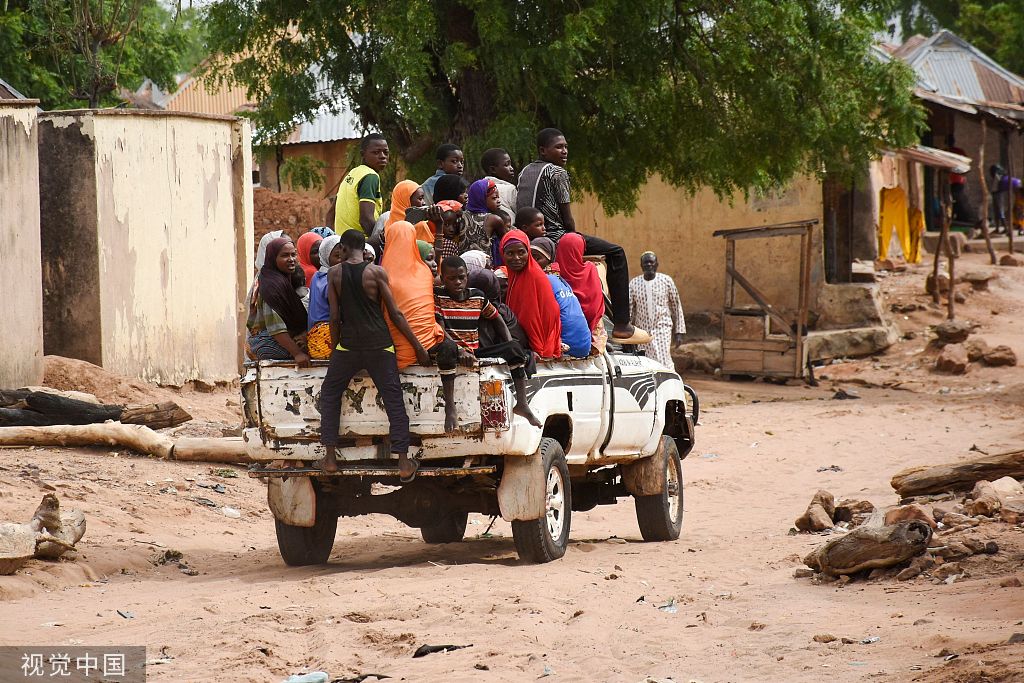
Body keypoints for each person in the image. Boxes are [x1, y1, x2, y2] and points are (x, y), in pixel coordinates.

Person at [516, 127, 646, 344]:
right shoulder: (557, 172)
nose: (565, 151)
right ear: (543, 150)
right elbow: (567, 220)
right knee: (616, 252)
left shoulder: (524, 171)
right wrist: (574, 238)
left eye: (566, 147)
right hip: (556, 236)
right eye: (558, 147)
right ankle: (623, 325)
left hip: (530, 236)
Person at [320, 229, 428, 479]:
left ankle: (329, 458)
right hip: (380, 345)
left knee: (330, 393)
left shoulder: (334, 273)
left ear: (344, 248)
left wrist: (336, 349)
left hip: (349, 345)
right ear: (363, 247)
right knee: (393, 399)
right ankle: (403, 462)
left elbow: (334, 318)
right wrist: (418, 347)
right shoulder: (376, 272)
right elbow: (395, 313)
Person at [436, 256, 542, 427]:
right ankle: (450, 408)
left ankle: (522, 404)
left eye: (461, 277)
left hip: (474, 351)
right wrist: (460, 350)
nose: (457, 282)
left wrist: (510, 345)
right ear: (442, 279)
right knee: (446, 348)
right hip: (453, 350)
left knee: (515, 348)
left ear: (467, 277)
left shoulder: (477, 296)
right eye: (451, 278)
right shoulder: (438, 296)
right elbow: (440, 329)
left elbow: (497, 319)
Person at [382, 220, 462, 433]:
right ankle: (450, 405)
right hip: (422, 344)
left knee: (450, 347)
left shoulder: (382, 274)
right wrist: (418, 347)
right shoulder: (420, 272)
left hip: (399, 348)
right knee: (448, 348)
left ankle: (445, 410)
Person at [246, 237, 311, 365]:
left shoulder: (282, 280)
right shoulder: (271, 287)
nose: (291, 259)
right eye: (285, 255)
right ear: (273, 258)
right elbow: (276, 328)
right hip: (266, 343)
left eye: (293, 254)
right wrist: (297, 354)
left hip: (278, 338)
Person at [500, 230, 562, 359]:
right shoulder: (515, 276)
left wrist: (535, 350)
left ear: (528, 252)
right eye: (510, 253)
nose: (516, 258)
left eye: (521, 252)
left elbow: (532, 318)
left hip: (539, 347)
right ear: (502, 254)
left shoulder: (533, 276)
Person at [530, 238, 592, 357]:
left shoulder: (543, 280)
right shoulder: (561, 280)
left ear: (549, 259)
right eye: (530, 258)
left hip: (566, 348)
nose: (532, 262)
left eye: (537, 258)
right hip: (584, 347)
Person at [629, 251, 686, 369]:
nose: (649, 265)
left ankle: (670, 384)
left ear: (656, 264)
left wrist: (679, 332)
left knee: (663, 359)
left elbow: (676, 306)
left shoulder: (666, 281)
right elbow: (630, 310)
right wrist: (629, 332)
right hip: (642, 331)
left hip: (662, 328)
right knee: (644, 362)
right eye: (646, 263)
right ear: (641, 265)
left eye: (651, 262)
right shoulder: (634, 283)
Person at [334, 133, 389, 235]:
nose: (382, 156)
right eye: (376, 152)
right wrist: (380, 242)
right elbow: (366, 220)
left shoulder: (352, 174)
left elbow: (330, 214)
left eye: (386, 152)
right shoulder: (370, 176)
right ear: (363, 154)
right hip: (361, 243)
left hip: (343, 241)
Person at [307, 235, 342, 360]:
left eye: (344, 255)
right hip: (327, 337)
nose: (341, 260)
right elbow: (336, 316)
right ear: (327, 257)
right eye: (337, 256)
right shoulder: (331, 279)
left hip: (314, 338)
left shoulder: (317, 276)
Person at [463, 178, 506, 255]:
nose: (498, 201)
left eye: (498, 197)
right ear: (481, 199)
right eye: (494, 198)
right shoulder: (494, 219)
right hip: (484, 263)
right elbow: (506, 242)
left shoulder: (462, 216)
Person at [481, 147, 517, 223]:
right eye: (506, 165)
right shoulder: (510, 189)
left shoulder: (479, 187)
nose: (511, 168)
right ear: (493, 169)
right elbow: (519, 212)